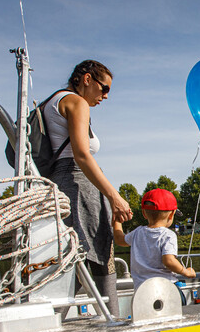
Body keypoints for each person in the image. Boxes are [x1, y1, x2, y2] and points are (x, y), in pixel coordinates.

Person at [44, 60, 133, 316]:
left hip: (59, 185)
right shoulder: (77, 102)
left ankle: (53, 320)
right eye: (103, 88)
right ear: (86, 79)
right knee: (101, 255)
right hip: (78, 184)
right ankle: (113, 320)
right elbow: (82, 155)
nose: (105, 96)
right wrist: (114, 196)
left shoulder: (53, 102)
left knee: (71, 257)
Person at [113, 189, 196, 289]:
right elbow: (169, 261)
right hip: (165, 288)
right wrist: (185, 272)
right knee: (181, 299)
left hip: (142, 290)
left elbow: (119, 239)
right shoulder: (168, 235)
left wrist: (117, 219)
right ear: (171, 215)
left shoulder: (137, 232)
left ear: (144, 213)